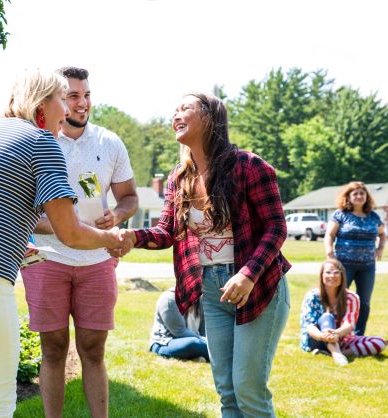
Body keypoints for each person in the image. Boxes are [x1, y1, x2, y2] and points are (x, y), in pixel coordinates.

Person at [0, 69, 123, 418]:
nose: (68, 111)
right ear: (43, 103)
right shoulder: (42, 142)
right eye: (63, 99)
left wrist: (12, 240)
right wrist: (111, 239)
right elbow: (69, 232)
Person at [116, 93, 290, 417]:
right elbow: (166, 232)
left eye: (185, 108)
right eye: (175, 111)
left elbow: (277, 228)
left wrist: (248, 274)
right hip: (211, 293)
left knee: (249, 389)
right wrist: (132, 236)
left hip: (257, 288)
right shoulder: (179, 178)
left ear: (210, 118)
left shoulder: (248, 166)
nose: (176, 115)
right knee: (227, 391)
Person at [20, 67, 137, 418]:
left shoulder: (109, 142)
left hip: (97, 261)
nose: (82, 102)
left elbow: (130, 197)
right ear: (55, 99)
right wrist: (61, 228)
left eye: (86, 94)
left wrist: (115, 216)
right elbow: (24, 207)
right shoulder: (37, 141)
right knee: (53, 349)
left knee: (93, 349)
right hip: (47, 260)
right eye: (72, 96)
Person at [324, 181, 386, 336]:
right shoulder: (340, 215)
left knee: (364, 301)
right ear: (348, 197)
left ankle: (358, 335)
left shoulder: (373, 216)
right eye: (355, 193)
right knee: (338, 298)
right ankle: (332, 331)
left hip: (367, 266)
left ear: (366, 196)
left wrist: (380, 248)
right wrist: (330, 254)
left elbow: (382, 234)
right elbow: (329, 235)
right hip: (344, 265)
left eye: (362, 193)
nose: (359, 196)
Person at [300, 259, 387, 366]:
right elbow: (309, 326)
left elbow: (349, 324)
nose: (332, 276)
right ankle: (336, 354)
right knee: (327, 316)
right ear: (321, 275)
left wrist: (335, 333)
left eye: (336, 272)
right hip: (317, 339)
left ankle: (335, 353)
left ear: (342, 276)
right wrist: (324, 336)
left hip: (342, 339)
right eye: (328, 272)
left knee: (379, 342)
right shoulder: (312, 296)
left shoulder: (352, 297)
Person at [150, 287, 209, 362]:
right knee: (193, 344)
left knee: (215, 341)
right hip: (165, 343)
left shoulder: (199, 299)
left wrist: (209, 340)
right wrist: (205, 341)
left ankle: (198, 355)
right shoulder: (169, 299)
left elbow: (203, 330)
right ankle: (222, 354)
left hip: (194, 340)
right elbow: (179, 332)